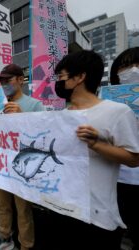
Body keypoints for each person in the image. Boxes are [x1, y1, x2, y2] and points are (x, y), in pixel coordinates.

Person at [37, 50, 139, 250]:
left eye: (62, 77)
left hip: (96, 216)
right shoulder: (61, 116)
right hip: (61, 207)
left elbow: (134, 159)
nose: (58, 82)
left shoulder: (116, 112)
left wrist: (97, 145)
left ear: (80, 77)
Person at [0, 64, 44, 250]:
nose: (3, 84)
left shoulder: (34, 104)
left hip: (23, 169)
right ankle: (5, 235)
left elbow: (43, 136)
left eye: (7, 80)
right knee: (2, 205)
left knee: (23, 209)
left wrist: (22, 116)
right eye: (1, 82)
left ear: (21, 80)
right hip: (1, 165)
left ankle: (26, 244)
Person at [110, 47, 139, 250]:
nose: (133, 70)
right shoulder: (108, 101)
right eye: (126, 66)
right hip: (118, 177)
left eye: (137, 65)